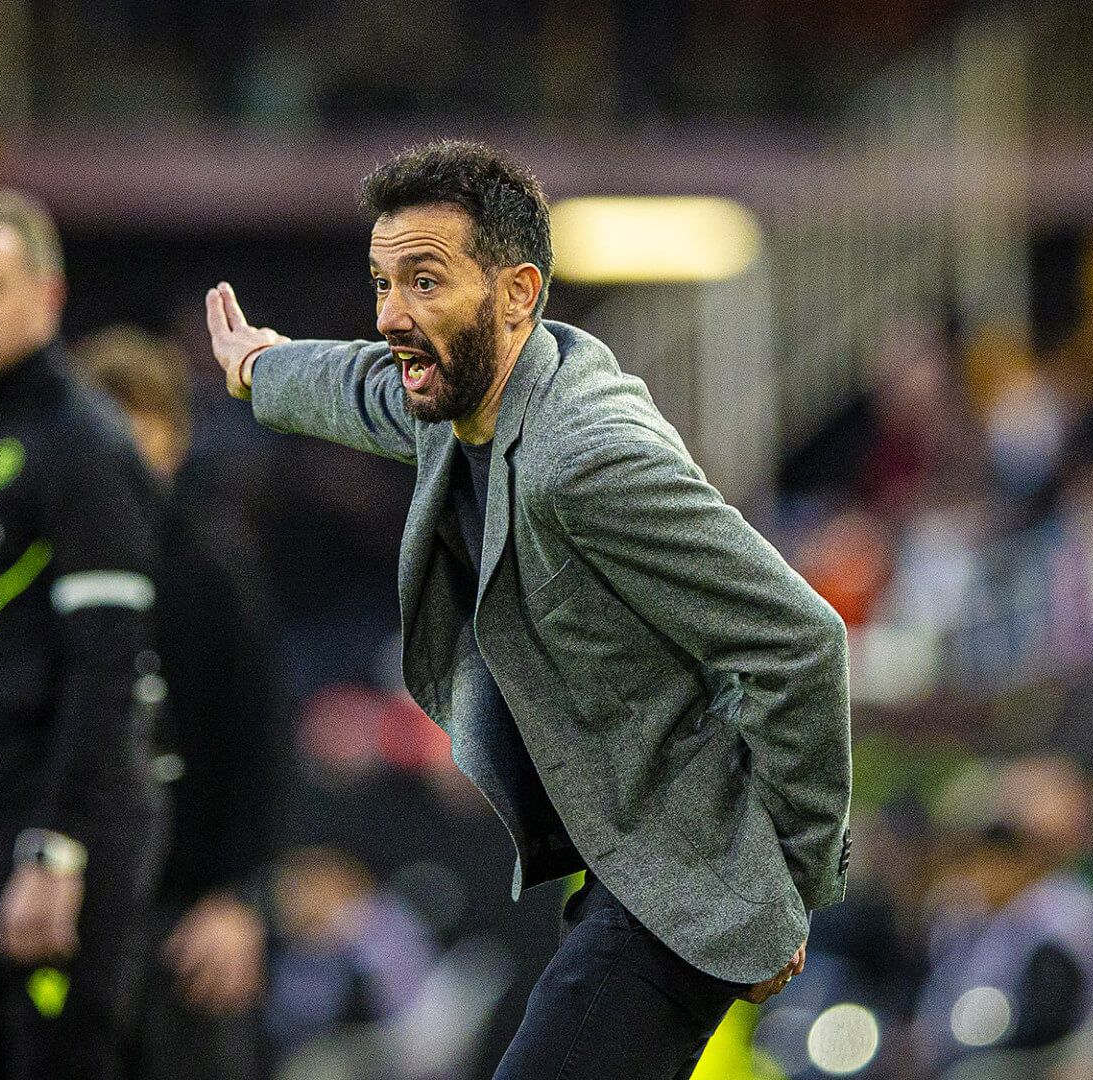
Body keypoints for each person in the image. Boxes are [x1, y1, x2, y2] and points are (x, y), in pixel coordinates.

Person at [202, 139, 853, 1080]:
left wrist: (788, 882)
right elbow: (366, 391)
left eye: (424, 282)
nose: (391, 315)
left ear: (517, 293)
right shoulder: (467, 396)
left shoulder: (587, 455)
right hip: (622, 866)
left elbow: (803, 642)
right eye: (382, 283)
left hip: (688, 878)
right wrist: (260, 368)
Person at [0, 189, 163, 1080]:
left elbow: (108, 670)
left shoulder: (84, 447)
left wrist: (57, 851)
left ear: (47, 297)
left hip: (52, 834)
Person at [76, 326, 291, 1080]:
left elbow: (260, 746)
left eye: (144, 421)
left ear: (176, 438)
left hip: (191, 919)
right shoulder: (36, 576)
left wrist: (237, 900)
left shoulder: (214, 573)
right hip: (68, 914)